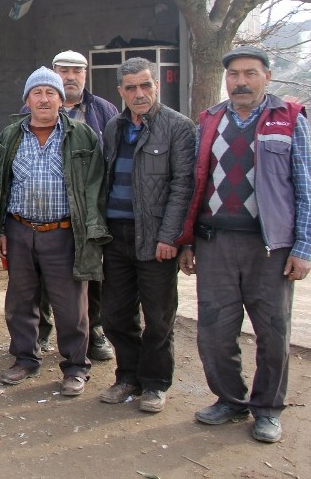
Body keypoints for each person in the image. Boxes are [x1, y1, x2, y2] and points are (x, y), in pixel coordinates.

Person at [180, 46, 311, 444]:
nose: (240, 81)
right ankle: (230, 400)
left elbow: (306, 189)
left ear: (267, 77)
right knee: (214, 331)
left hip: (269, 249)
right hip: (215, 243)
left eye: (250, 73)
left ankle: (267, 410)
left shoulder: (288, 120)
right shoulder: (209, 121)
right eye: (234, 75)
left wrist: (304, 246)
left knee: (272, 334)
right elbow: (196, 183)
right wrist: (187, 240)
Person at [0, 67, 109, 397]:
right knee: (21, 301)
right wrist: (0, 229)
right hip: (19, 230)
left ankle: (75, 367)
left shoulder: (82, 136)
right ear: (26, 99)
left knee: (72, 306)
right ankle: (25, 359)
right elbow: (0, 185)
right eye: (37, 93)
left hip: (64, 233)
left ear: (61, 99)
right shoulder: (10, 135)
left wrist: (91, 233)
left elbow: (97, 187)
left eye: (50, 93)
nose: (44, 99)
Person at [98, 58, 195, 413]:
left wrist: (171, 237)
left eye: (146, 86)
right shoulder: (113, 127)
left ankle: (155, 384)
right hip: (115, 236)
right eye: (132, 88)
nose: (140, 94)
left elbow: (183, 186)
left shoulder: (178, 128)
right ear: (120, 91)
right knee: (116, 315)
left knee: (159, 316)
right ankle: (128, 376)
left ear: (156, 86)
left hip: (156, 237)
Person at [37, 50, 119, 361]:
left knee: (90, 274)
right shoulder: (36, 106)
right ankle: (42, 331)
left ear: (86, 75)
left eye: (77, 71)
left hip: (88, 208)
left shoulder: (103, 111)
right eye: (64, 70)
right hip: (47, 207)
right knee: (42, 275)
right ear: (53, 73)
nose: (70, 77)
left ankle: (94, 330)